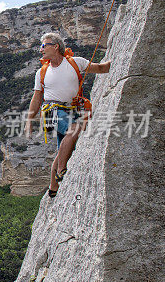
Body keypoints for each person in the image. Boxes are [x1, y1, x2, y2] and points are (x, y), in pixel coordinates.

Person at [24, 32, 110, 197]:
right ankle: (61, 170)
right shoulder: (42, 72)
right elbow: (37, 98)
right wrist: (29, 119)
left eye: (44, 45)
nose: (41, 50)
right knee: (74, 129)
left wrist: (116, 60)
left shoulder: (75, 63)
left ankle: (53, 188)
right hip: (52, 110)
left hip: (73, 110)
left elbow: (100, 68)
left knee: (65, 146)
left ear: (55, 46)